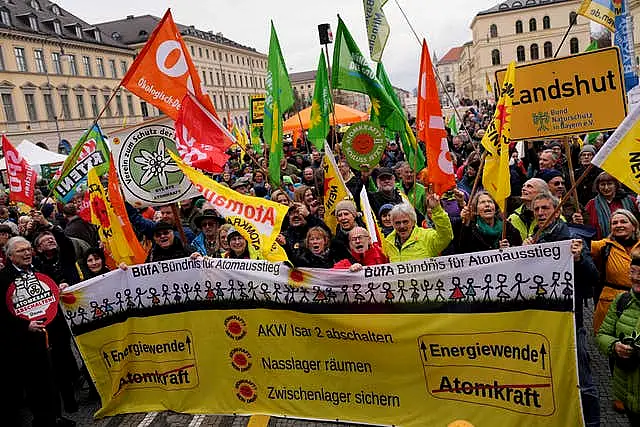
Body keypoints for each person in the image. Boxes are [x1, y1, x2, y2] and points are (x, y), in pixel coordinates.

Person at [524, 193, 600, 426]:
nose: (540, 213)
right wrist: (519, 253)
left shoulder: (571, 238)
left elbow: (594, 278)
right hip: (543, 318)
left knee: (582, 375)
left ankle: (592, 421)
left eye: (545, 208)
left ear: (556, 211)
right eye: (536, 210)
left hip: (570, 318)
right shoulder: (533, 239)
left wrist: (579, 260)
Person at [0, 236, 78, 427]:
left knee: (53, 379)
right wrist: (25, 326)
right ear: (10, 256)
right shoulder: (3, 280)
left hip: (51, 333)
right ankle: (43, 421)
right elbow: (2, 314)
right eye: (21, 251)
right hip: (26, 341)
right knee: (36, 384)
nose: (27, 253)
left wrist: (60, 287)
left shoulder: (40, 269)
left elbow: (52, 293)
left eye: (28, 249)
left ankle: (56, 417)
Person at [596, 250, 640, 424]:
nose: (636, 278)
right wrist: (614, 346)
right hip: (627, 391)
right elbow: (603, 335)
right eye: (632, 272)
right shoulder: (622, 300)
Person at [591, 209, 640, 332]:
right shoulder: (604, 246)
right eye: (615, 223)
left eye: (623, 222)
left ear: (634, 226)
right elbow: (579, 245)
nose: (619, 225)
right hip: (610, 306)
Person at [382, 197, 453, 262]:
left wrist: (437, 210)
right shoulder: (388, 242)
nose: (402, 226)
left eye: (405, 222)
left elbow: (446, 236)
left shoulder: (427, 237)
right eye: (397, 223)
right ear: (393, 224)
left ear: (413, 221)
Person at [458, 191, 522, 253]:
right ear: (476, 210)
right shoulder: (470, 227)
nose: (487, 205)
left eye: (490, 202)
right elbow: (463, 249)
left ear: (495, 207)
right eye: (482, 202)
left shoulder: (507, 226)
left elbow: (518, 246)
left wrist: (509, 249)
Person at [585, 172, 638, 240]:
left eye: (609, 184)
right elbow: (585, 226)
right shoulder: (592, 204)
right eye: (602, 184)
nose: (606, 188)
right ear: (598, 186)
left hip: (631, 243)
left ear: (616, 185)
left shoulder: (631, 201)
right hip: (602, 245)